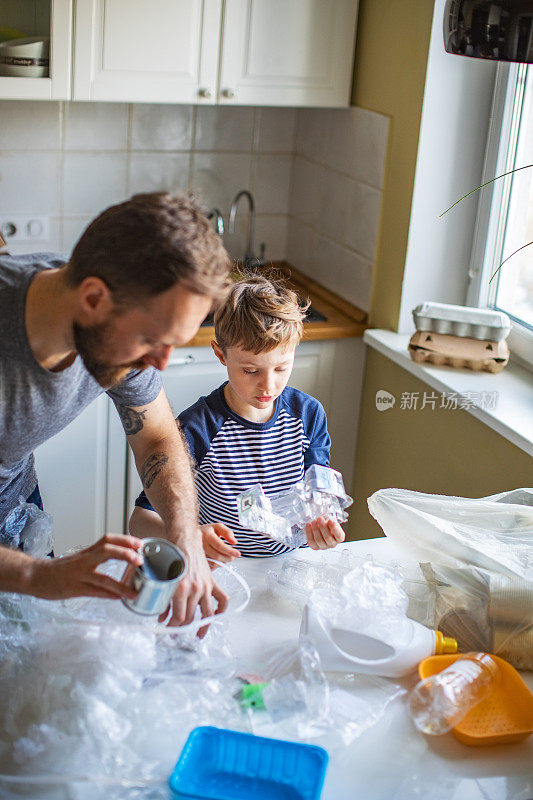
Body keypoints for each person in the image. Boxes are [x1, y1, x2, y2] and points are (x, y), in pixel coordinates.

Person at [0, 192, 232, 625]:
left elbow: (157, 436)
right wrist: (35, 574)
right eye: (151, 339)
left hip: (15, 511)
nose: (160, 363)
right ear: (93, 299)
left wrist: (185, 539)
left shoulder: (116, 316)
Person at [130, 273, 346, 559]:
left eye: (281, 368)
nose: (268, 386)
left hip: (294, 563)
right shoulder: (197, 429)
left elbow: (318, 495)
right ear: (221, 354)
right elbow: (139, 521)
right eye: (251, 370)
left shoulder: (308, 415)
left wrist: (323, 527)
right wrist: (188, 536)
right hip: (228, 571)